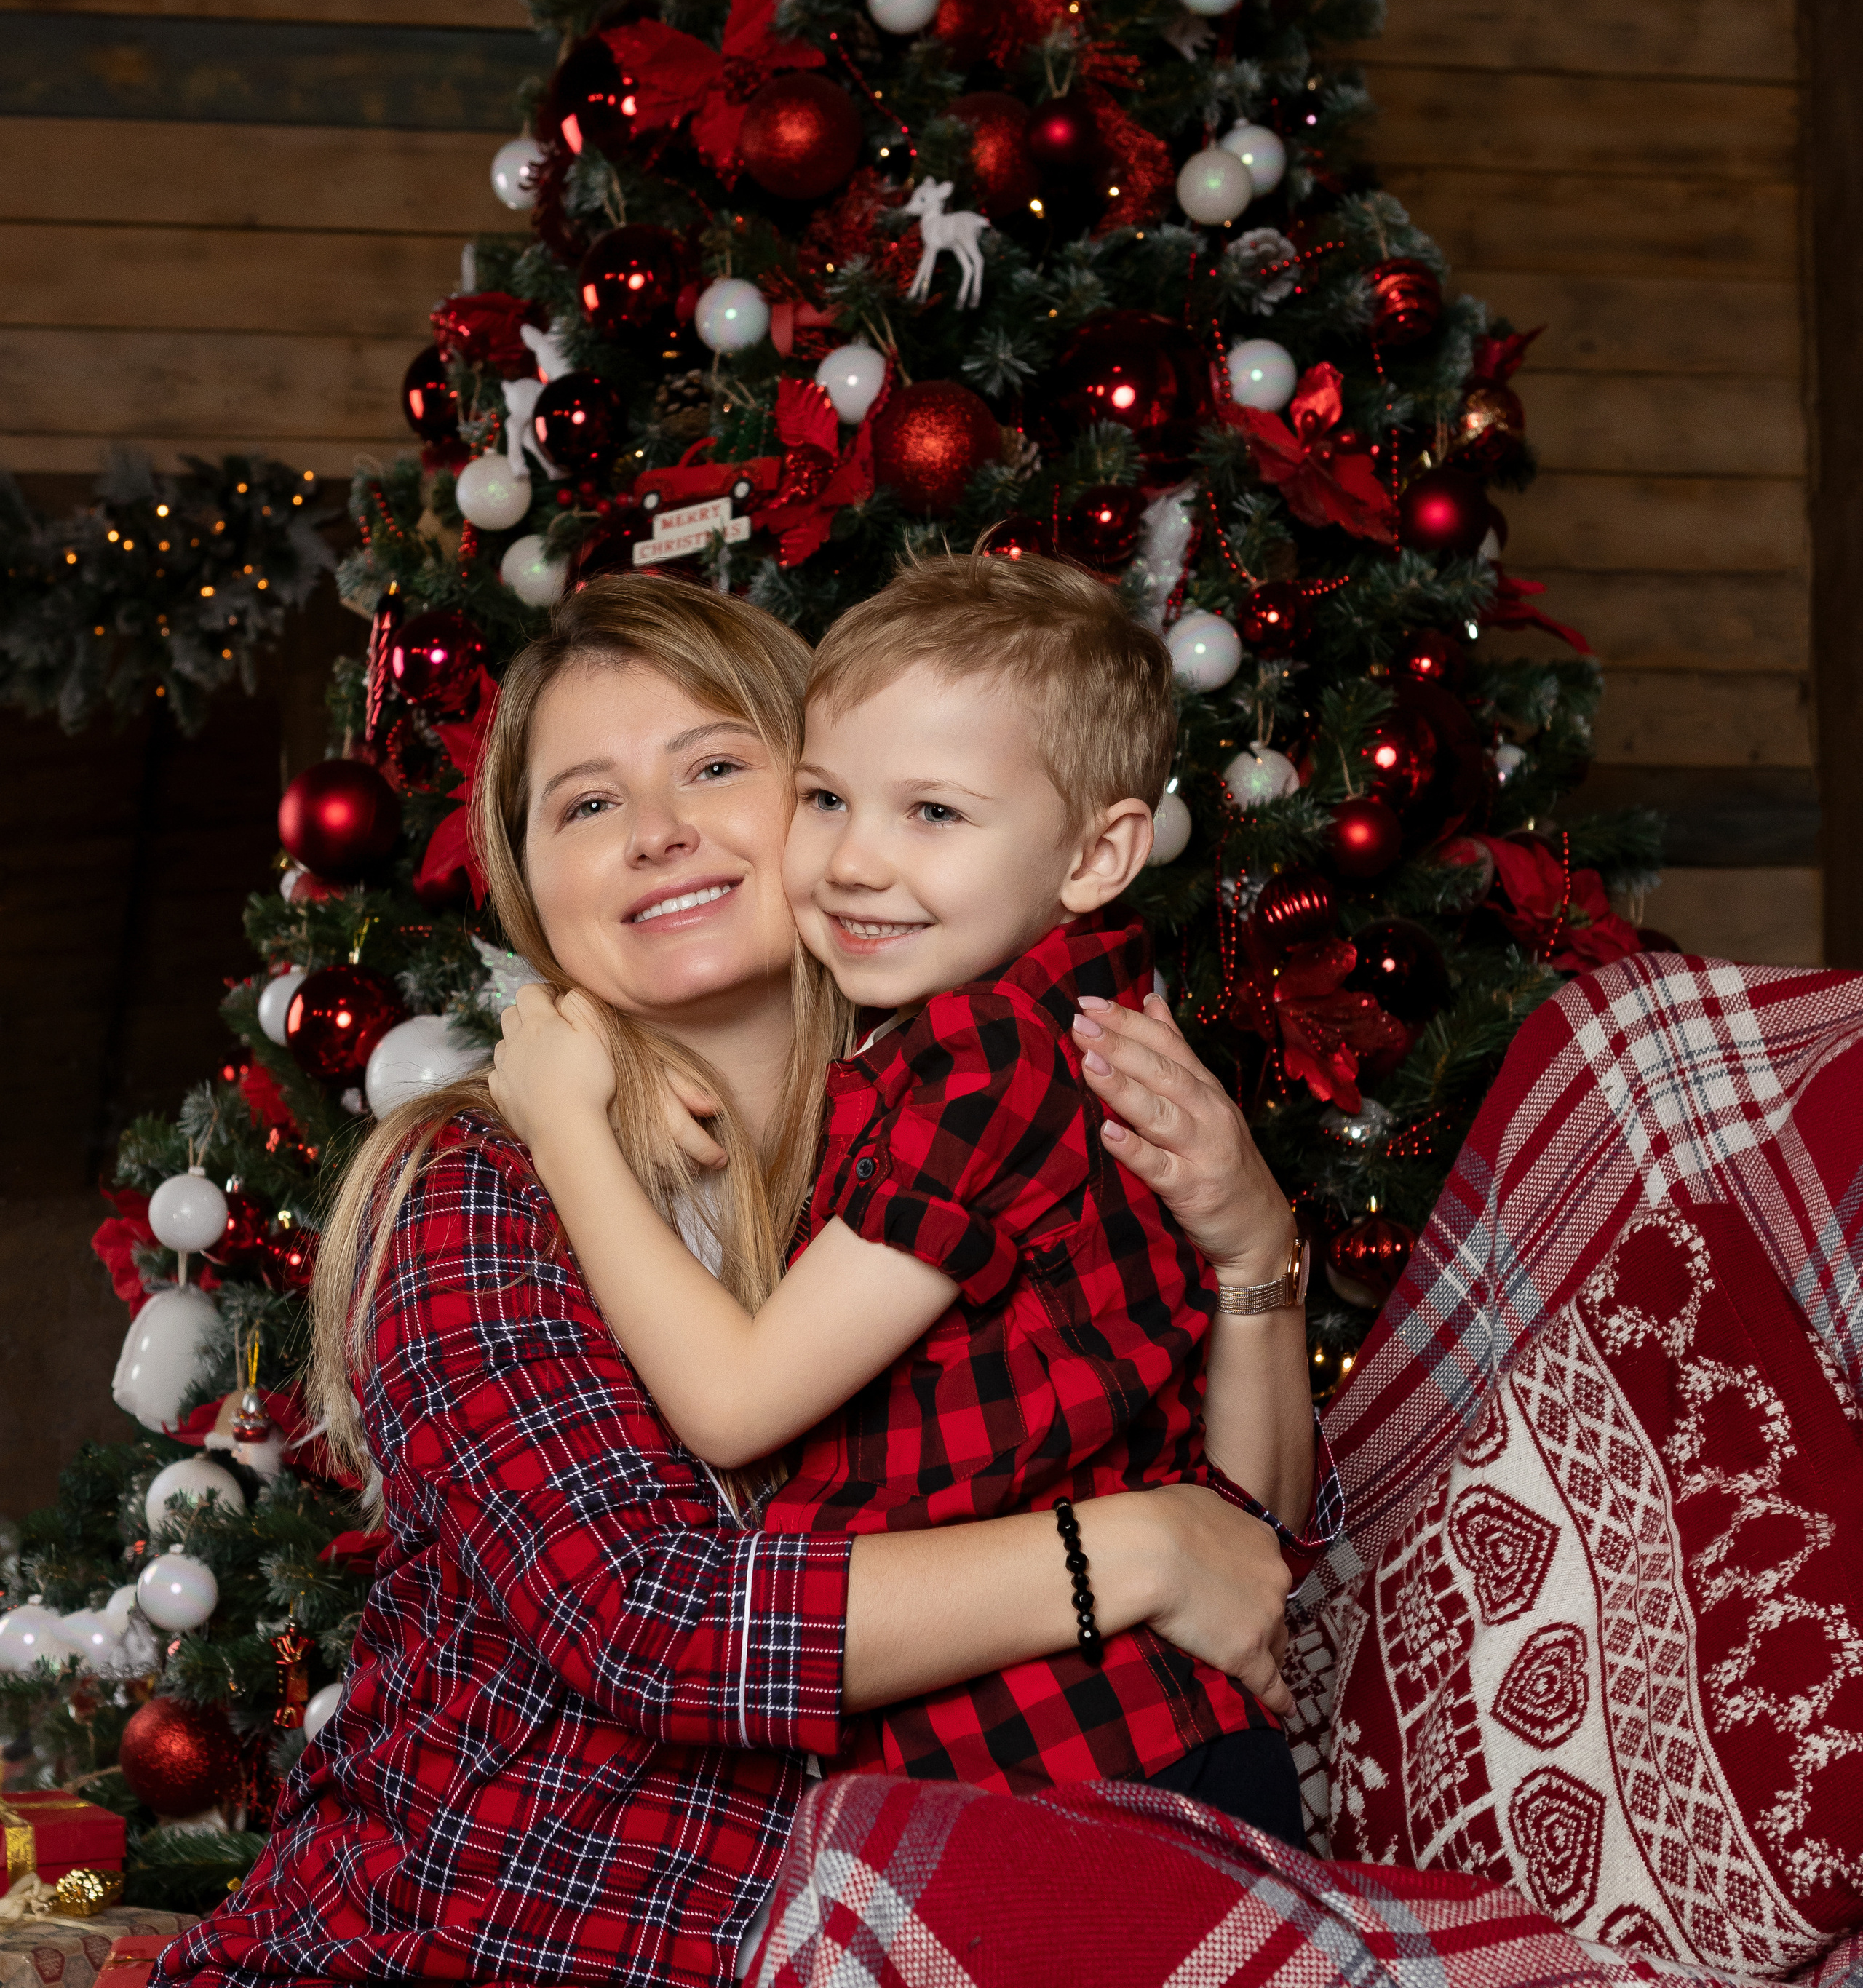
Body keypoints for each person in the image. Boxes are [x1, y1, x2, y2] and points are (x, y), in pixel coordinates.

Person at [156, 575, 1320, 1988]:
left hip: (855, 1925)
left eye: (714, 766)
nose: (655, 833)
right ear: (531, 883)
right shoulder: (477, 1188)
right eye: (584, 805)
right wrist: (1131, 1554)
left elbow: (1241, 1558)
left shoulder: (975, 1112)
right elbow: (654, 1620)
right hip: (469, 1932)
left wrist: (1254, 1259)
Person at [493, 555, 1317, 1844]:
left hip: (1087, 1767)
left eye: (933, 813)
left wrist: (563, 1122)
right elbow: (654, 1625)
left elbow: (1245, 1549)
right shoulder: (985, 1046)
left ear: (1101, 853)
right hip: (1045, 1767)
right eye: (831, 797)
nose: (861, 859)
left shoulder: (989, 1063)